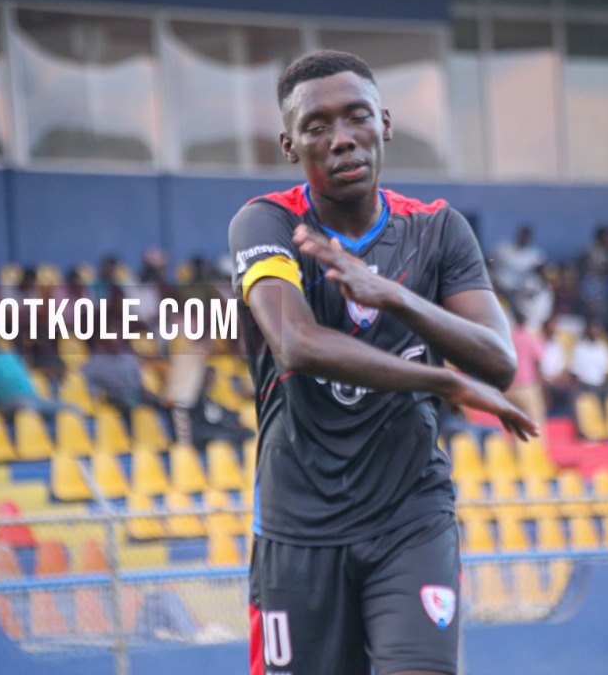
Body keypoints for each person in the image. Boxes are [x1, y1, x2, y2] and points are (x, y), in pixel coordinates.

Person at [228, 50, 535, 675]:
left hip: (410, 515)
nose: (341, 140)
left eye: (356, 118)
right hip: (299, 526)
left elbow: (499, 362)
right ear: (290, 146)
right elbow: (296, 343)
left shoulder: (439, 231)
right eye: (317, 127)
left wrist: (391, 292)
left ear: (384, 125)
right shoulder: (267, 223)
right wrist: (443, 379)